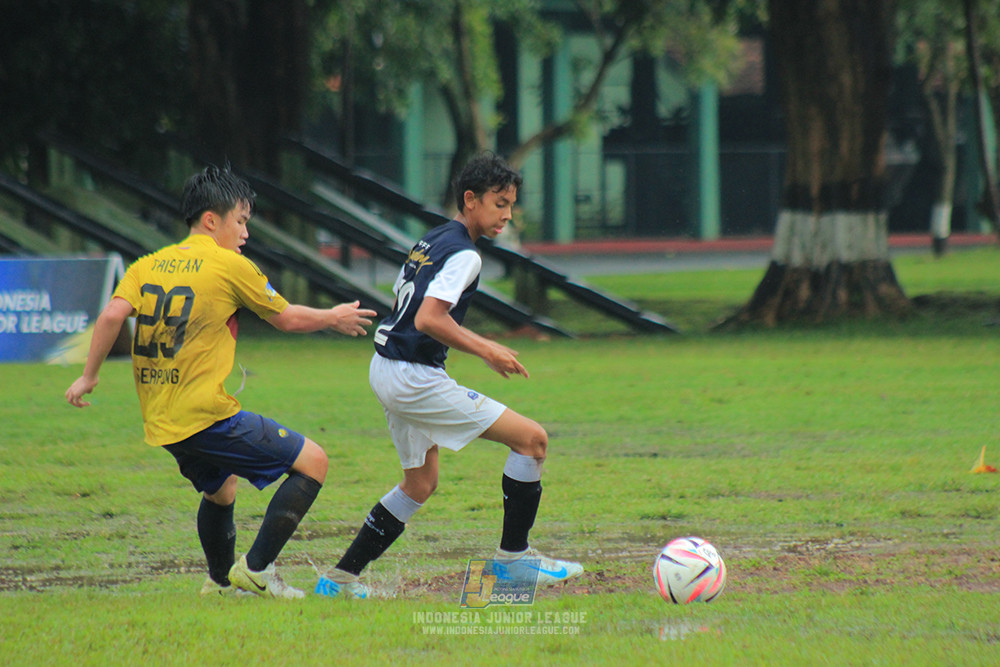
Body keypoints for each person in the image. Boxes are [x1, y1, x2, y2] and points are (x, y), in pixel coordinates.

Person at [65, 165, 377, 599]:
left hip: (161, 419)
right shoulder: (230, 265)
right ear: (212, 220)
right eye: (241, 220)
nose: (246, 232)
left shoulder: (147, 264)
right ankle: (256, 570)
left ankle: (218, 582)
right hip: (205, 416)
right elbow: (285, 318)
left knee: (221, 487)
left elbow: (113, 315)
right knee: (314, 462)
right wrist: (334, 316)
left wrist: (88, 376)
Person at [317, 152, 583, 599]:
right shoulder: (466, 255)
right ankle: (514, 561)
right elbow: (429, 319)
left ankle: (338, 581)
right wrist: (487, 349)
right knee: (532, 440)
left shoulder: (433, 238)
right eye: (499, 203)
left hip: (385, 366)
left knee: (420, 483)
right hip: (412, 376)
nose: (507, 215)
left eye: (511, 205)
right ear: (470, 199)